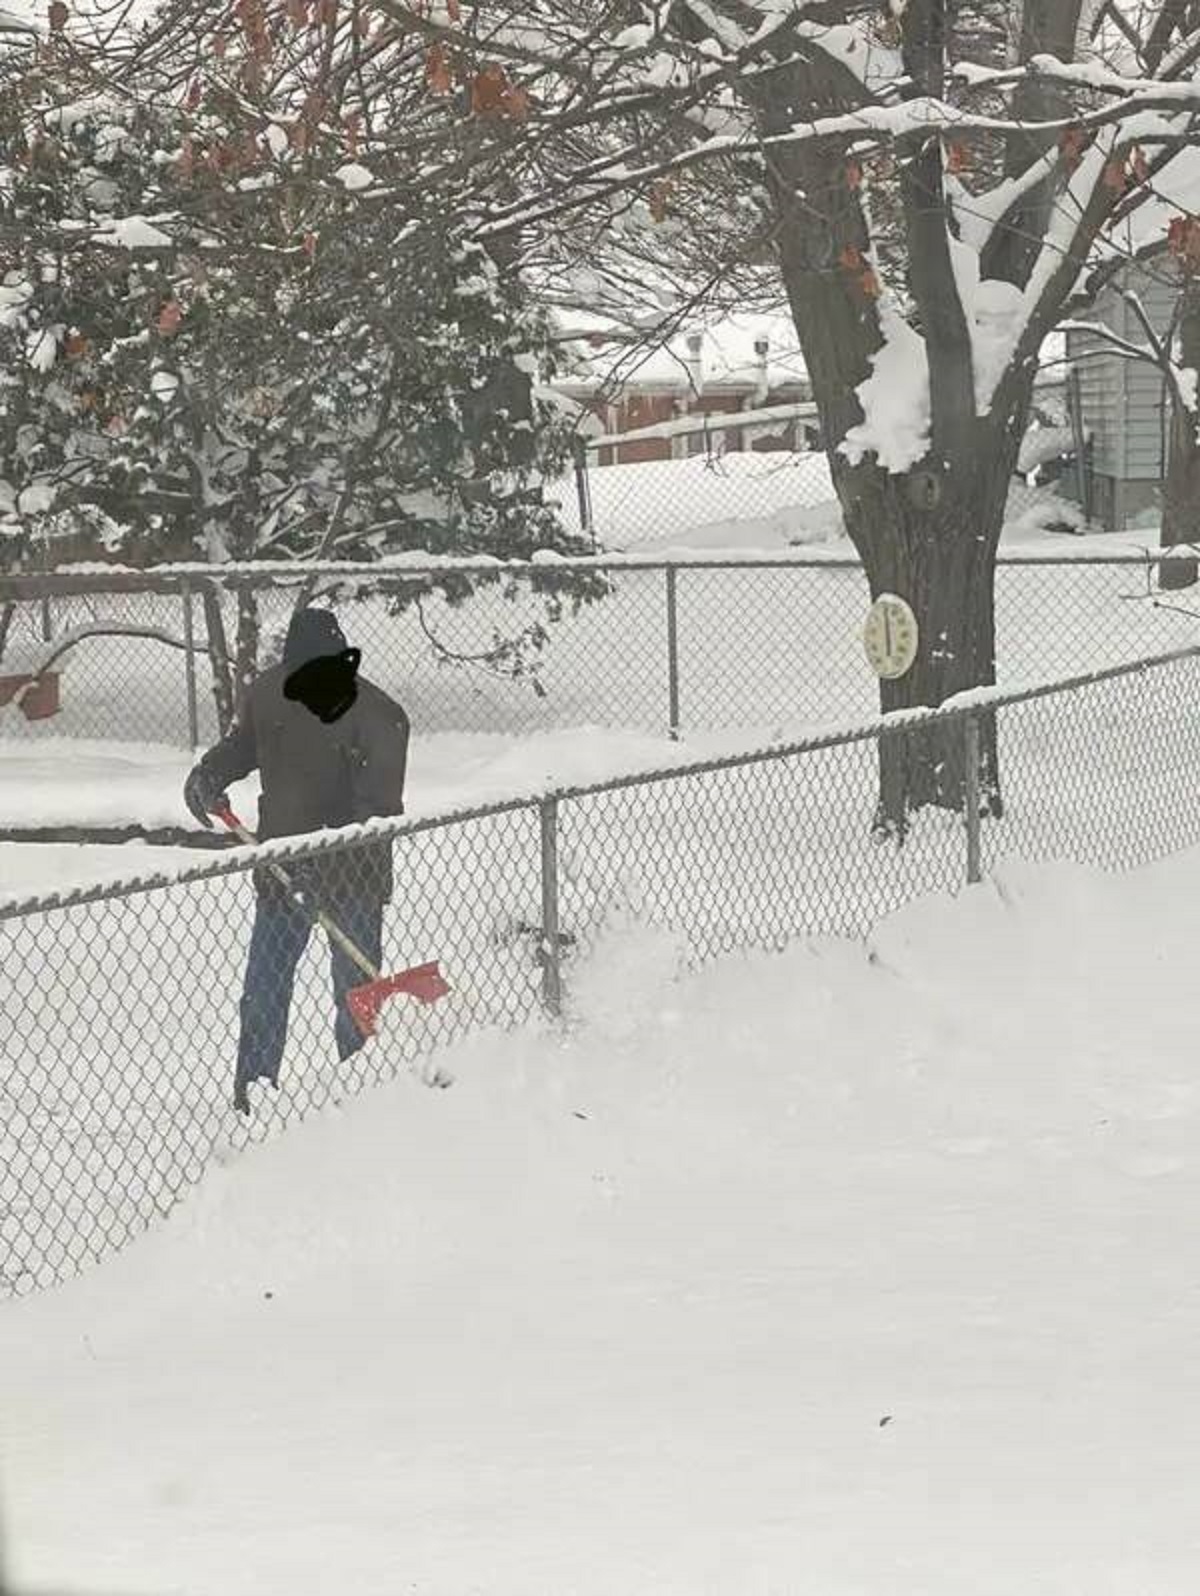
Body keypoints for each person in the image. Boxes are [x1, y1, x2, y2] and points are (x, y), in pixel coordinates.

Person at [184, 607, 410, 1113]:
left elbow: (378, 809)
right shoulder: (269, 692)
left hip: (354, 878)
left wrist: (324, 860)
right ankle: (255, 1098)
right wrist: (209, 774)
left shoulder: (379, 714)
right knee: (262, 992)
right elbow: (243, 746)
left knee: (356, 993)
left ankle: (366, 1096)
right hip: (281, 872)